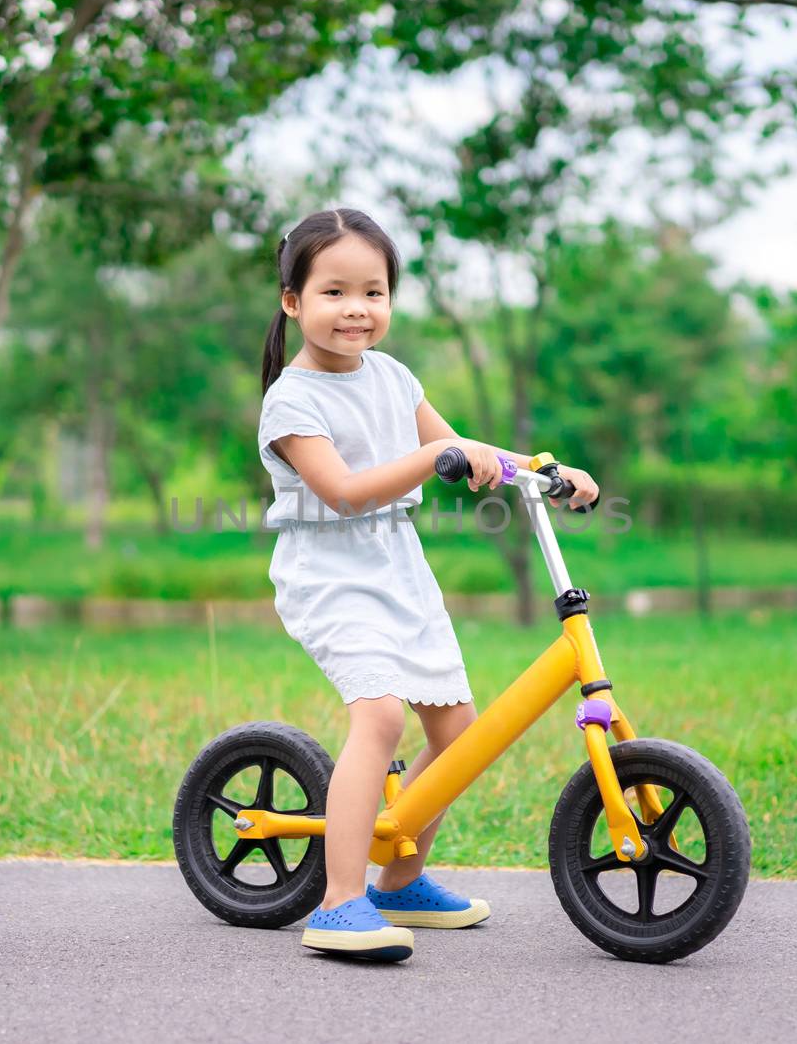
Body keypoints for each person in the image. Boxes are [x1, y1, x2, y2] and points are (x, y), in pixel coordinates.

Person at [256, 208, 599, 961]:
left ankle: (400, 880)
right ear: (293, 301)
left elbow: (458, 445)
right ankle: (339, 901)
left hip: (398, 565)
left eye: (374, 292)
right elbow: (343, 490)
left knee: (455, 727)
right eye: (335, 291)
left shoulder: (394, 376)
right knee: (379, 719)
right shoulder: (292, 399)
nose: (357, 309)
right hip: (329, 569)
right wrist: (435, 457)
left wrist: (544, 469)